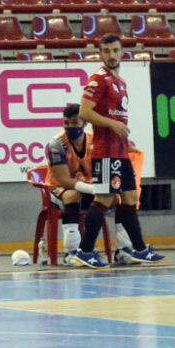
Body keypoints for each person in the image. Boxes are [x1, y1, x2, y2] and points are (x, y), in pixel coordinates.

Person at [74, 33, 165, 269]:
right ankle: (84, 251)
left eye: (115, 50)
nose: (111, 55)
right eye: (106, 51)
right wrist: (112, 124)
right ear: (101, 53)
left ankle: (139, 249)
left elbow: (116, 116)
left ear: (122, 51)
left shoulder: (120, 82)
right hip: (106, 152)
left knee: (130, 199)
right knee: (104, 198)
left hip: (120, 150)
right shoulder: (99, 79)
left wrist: (126, 139)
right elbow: (84, 112)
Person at [45, 103, 135, 266]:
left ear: (84, 123)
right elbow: (65, 180)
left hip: (89, 188)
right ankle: (71, 253)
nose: (70, 126)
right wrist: (92, 189)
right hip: (59, 190)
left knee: (120, 197)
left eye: (74, 122)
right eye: (66, 122)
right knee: (72, 195)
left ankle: (123, 250)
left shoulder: (96, 141)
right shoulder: (56, 145)